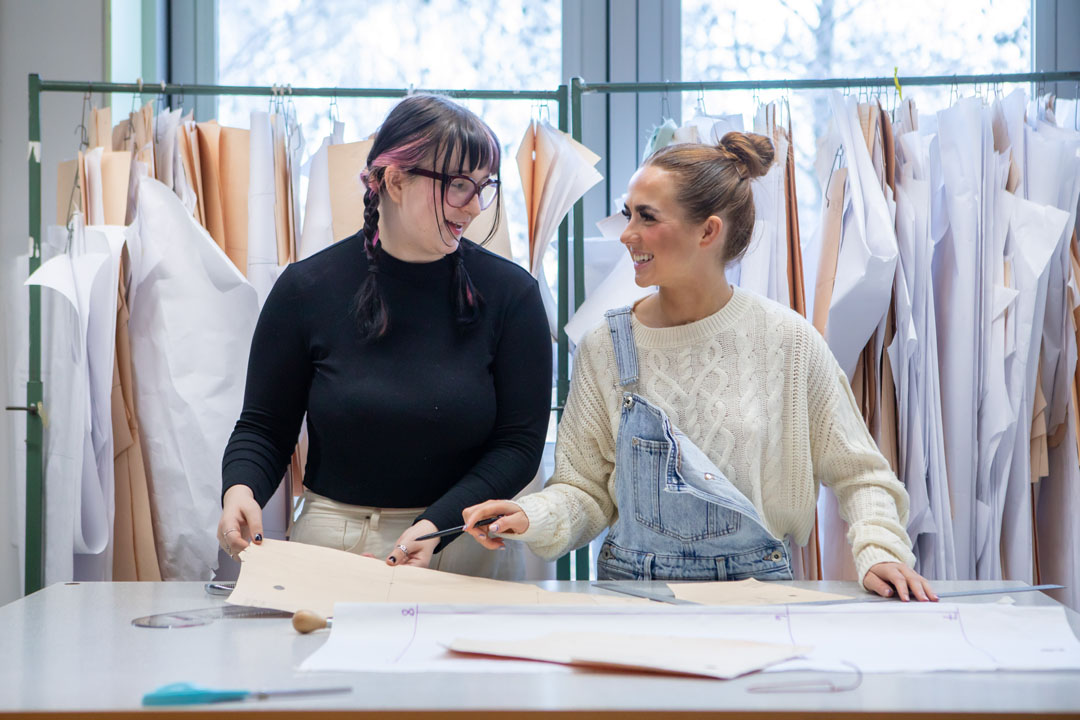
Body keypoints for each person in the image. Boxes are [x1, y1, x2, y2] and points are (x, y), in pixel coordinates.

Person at [463, 132, 936, 601]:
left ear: (709, 231)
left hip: (758, 601)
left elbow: (862, 475)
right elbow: (585, 491)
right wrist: (531, 516)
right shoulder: (606, 346)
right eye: (629, 214)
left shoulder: (787, 342)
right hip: (632, 601)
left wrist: (882, 552)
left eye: (647, 217)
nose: (627, 234)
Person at [217, 94, 551, 576]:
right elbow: (265, 428)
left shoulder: (511, 294)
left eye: (484, 187)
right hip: (332, 545)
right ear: (395, 180)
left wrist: (436, 525)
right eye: (459, 185)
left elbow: (519, 444)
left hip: (462, 541)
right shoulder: (306, 288)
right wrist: (240, 489)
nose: (476, 207)